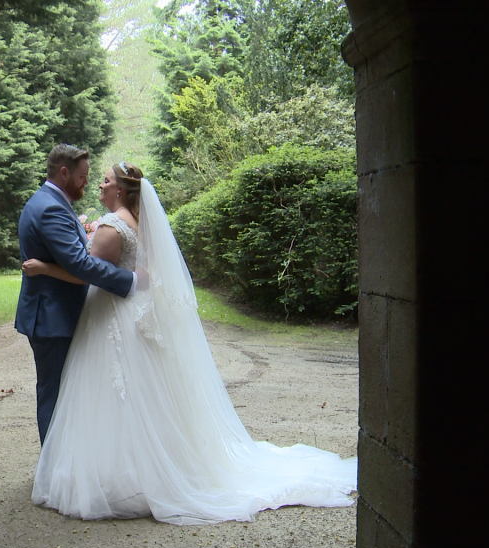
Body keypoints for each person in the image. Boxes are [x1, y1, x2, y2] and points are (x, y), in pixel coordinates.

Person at [22, 162, 357, 525]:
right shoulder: (137, 222)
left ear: (120, 190)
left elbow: (83, 271)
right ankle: (155, 465)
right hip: (134, 313)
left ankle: (118, 477)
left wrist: (43, 268)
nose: (99, 185)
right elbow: (138, 271)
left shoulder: (110, 226)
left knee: (113, 395)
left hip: (112, 315)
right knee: (145, 394)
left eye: (105, 180)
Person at [15, 144, 136, 445]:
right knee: (55, 396)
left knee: (63, 393)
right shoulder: (51, 208)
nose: (87, 182)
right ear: (64, 172)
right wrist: (130, 280)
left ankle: (60, 470)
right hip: (52, 317)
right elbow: (80, 264)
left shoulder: (49, 202)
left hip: (55, 313)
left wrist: (45, 267)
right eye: (82, 176)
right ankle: (54, 475)